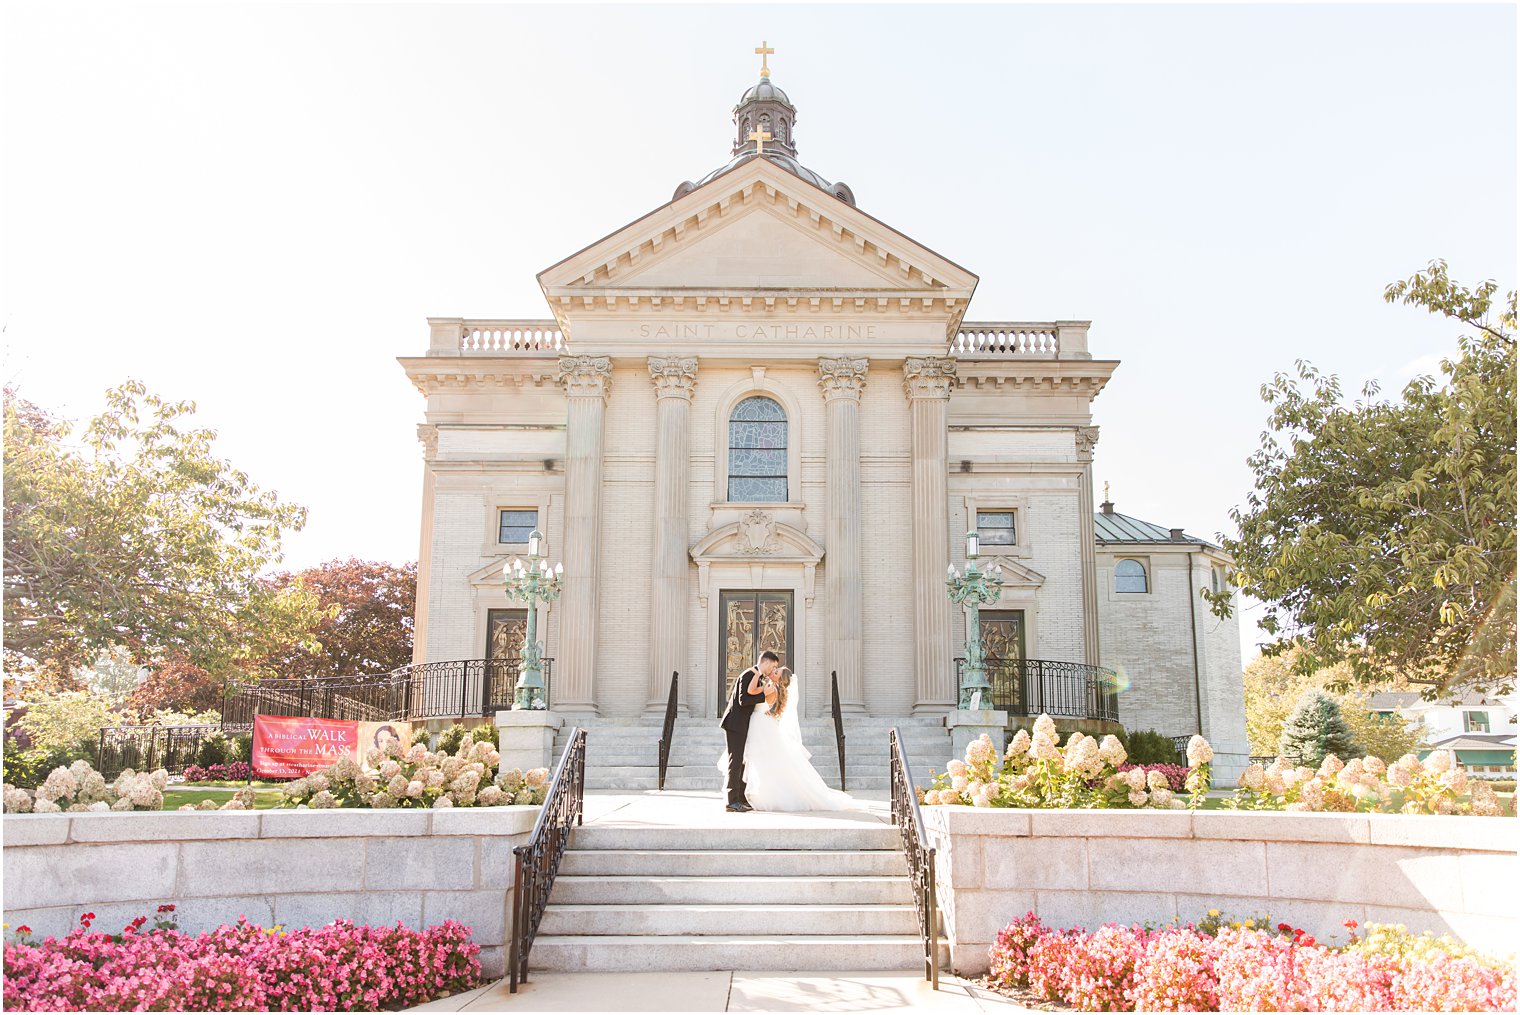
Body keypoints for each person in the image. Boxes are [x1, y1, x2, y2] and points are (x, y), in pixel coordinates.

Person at [718, 666, 867, 813]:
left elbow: (751, 696)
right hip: (759, 724)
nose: (772, 672)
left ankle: (745, 796)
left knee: (753, 760)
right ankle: (742, 795)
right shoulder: (772, 688)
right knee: (754, 761)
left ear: (780, 679)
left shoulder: (770, 688)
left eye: (776, 672)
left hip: (758, 725)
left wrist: (757, 672)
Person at [718, 650, 778, 812]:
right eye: (773, 665)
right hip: (735, 724)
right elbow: (743, 700)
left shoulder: (757, 676)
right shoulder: (749, 674)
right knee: (736, 761)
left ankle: (741, 798)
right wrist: (764, 695)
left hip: (742, 724)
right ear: (766, 662)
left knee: (742, 761)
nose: (773, 669)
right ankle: (731, 802)